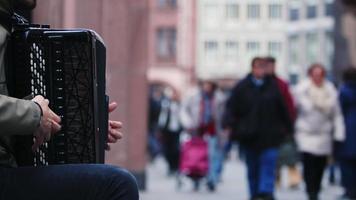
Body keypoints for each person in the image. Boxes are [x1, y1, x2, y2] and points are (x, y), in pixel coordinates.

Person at [0, 1, 139, 199]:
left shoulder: (9, 24)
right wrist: (34, 113)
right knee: (118, 184)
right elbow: (28, 111)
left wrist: (83, 125)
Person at [224, 57, 292, 200]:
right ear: (253, 68)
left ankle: (265, 191)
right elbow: (231, 108)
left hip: (270, 134)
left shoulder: (273, 86)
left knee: (269, 164)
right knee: (253, 168)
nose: (261, 70)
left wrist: (288, 128)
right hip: (249, 135)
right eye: (258, 67)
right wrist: (230, 125)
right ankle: (255, 194)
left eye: (263, 67)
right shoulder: (242, 87)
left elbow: (283, 108)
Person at [294, 63, 345, 200]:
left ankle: (316, 190)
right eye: (314, 74)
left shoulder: (330, 90)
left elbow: (337, 114)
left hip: (324, 134)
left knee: (320, 165)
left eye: (320, 74)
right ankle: (311, 192)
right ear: (310, 75)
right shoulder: (301, 90)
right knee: (308, 164)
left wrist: (339, 133)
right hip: (306, 133)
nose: (317, 77)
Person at [180, 80, 226, 191]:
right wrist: (188, 123)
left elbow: (224, 115)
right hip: (196, 131)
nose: (207, 87)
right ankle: (196, 178)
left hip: (212, 131)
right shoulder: (193, 96)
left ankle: (211, 179)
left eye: (209, 85)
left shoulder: (219, 98)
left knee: (213, 155)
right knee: (197, 156)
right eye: (205, 85)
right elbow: (183, 111)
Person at [264, 57, 301, 189]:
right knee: (272, 157)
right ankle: (275, 179)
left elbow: (289, 105)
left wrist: (289, 124)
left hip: (280, 127)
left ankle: (294, 179)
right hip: (264, 128)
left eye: (271, 66)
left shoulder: (281, 84)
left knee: (288, 154)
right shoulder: (259, 84)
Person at [336, 67, 356, 200]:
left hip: (347, 133)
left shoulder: (343, 92)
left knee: (347, 164)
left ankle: (349, 190)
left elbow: (337, 112)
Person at [158, 88, 182, 175]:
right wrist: (160, 127)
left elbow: (182, 116)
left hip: (177, 130)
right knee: (168, 150)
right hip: (167, 130)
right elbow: (163, 116)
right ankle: (170, 167)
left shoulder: (180, 105)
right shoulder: (166, 104)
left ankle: (176, 167)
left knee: (176, 149)